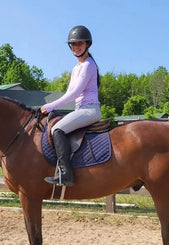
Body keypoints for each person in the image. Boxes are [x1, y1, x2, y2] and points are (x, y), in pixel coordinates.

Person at [41, 25, 101, 187]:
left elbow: (75, 93)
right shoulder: (77, 68)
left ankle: (66, 174)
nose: (76, 47)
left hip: (90, 110)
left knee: (57, 130)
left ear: (87, 44)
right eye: (73, 44)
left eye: (79, 43)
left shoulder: (88, 65)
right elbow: (70, 92)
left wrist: (51, 106)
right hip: (81, 109)